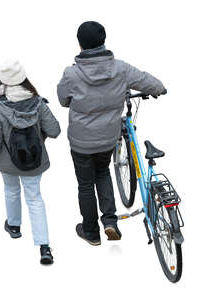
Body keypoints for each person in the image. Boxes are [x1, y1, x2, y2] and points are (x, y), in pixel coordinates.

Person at [57, 21, 166, 246]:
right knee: (103, 173)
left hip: (81, 141)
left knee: (85, 184)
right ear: (103, 40)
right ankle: (110, 222)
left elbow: (63, 100)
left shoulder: (71, 74)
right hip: (108, 138)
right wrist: (160, 88)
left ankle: (91, 232)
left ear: (80, 44)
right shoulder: (120, 68)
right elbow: (146, 80)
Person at [0, 59, 61, 264]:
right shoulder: (38, 103)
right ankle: (44, 247)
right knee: (34, 198)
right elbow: (55, 130)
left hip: (7, 163)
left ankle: (15, 226)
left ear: (3, 81)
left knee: (11, 190)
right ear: (24, 78)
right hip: (34, 161)